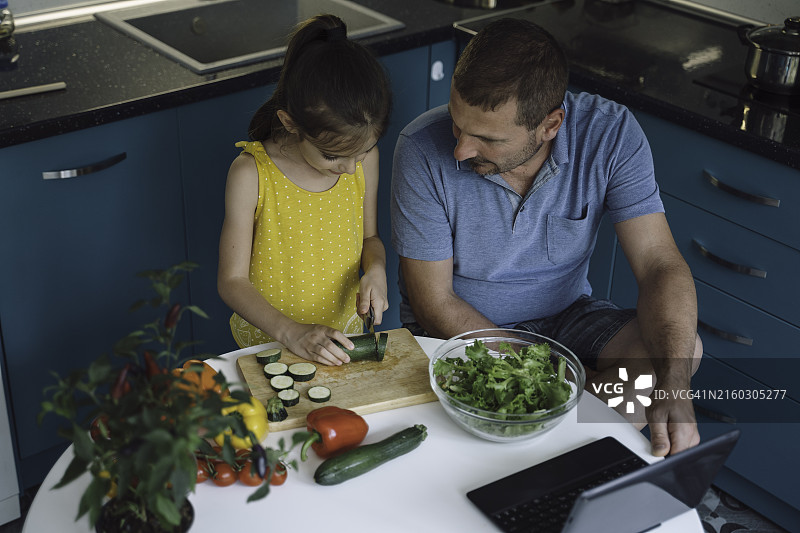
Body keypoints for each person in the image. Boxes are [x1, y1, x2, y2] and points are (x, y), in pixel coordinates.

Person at [390, 18, 701, 456]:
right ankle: (558, 455)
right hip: (459, 333)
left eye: (487, 138)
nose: (460, 149)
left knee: (675, 358)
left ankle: (562, 460)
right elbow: (434, 303)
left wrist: (674, 384)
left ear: (550, 125)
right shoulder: (421, 148)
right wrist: (565, 380)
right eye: (459, 125)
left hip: (568, 315)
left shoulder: (610, 135)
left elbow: (659, 265)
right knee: (590, 407)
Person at [218, 14, 390, 366]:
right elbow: (232, 281)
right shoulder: (251, 173)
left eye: (359, 154)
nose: (348, 168)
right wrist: (291, 332)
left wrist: (376, 269)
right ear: (289, 122)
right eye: (332, 156)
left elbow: (369, 240)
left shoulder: (364, 160)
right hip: (268, 345)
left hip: (342, 340)